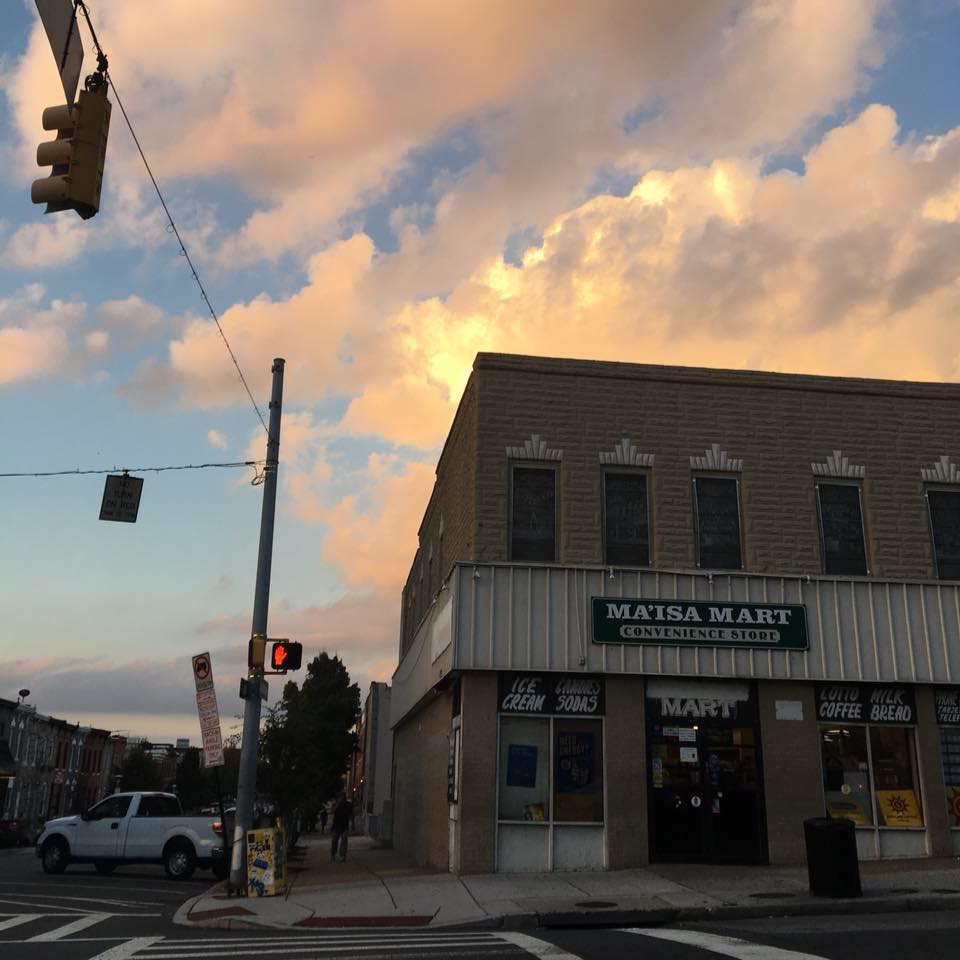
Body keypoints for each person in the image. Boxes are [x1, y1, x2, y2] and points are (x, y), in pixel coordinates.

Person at [330, 792, 354, 862]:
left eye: (343, 797)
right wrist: (337, 804)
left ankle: (342, 855)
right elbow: (332, 811)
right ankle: (333, 854)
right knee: (334, 840)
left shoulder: (348, 805)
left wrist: (353, 824)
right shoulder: (336, 804)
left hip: (345, 825)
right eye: (341, 797)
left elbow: (351, 814)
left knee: (344, 839)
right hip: (336, 825)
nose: (342, 798)